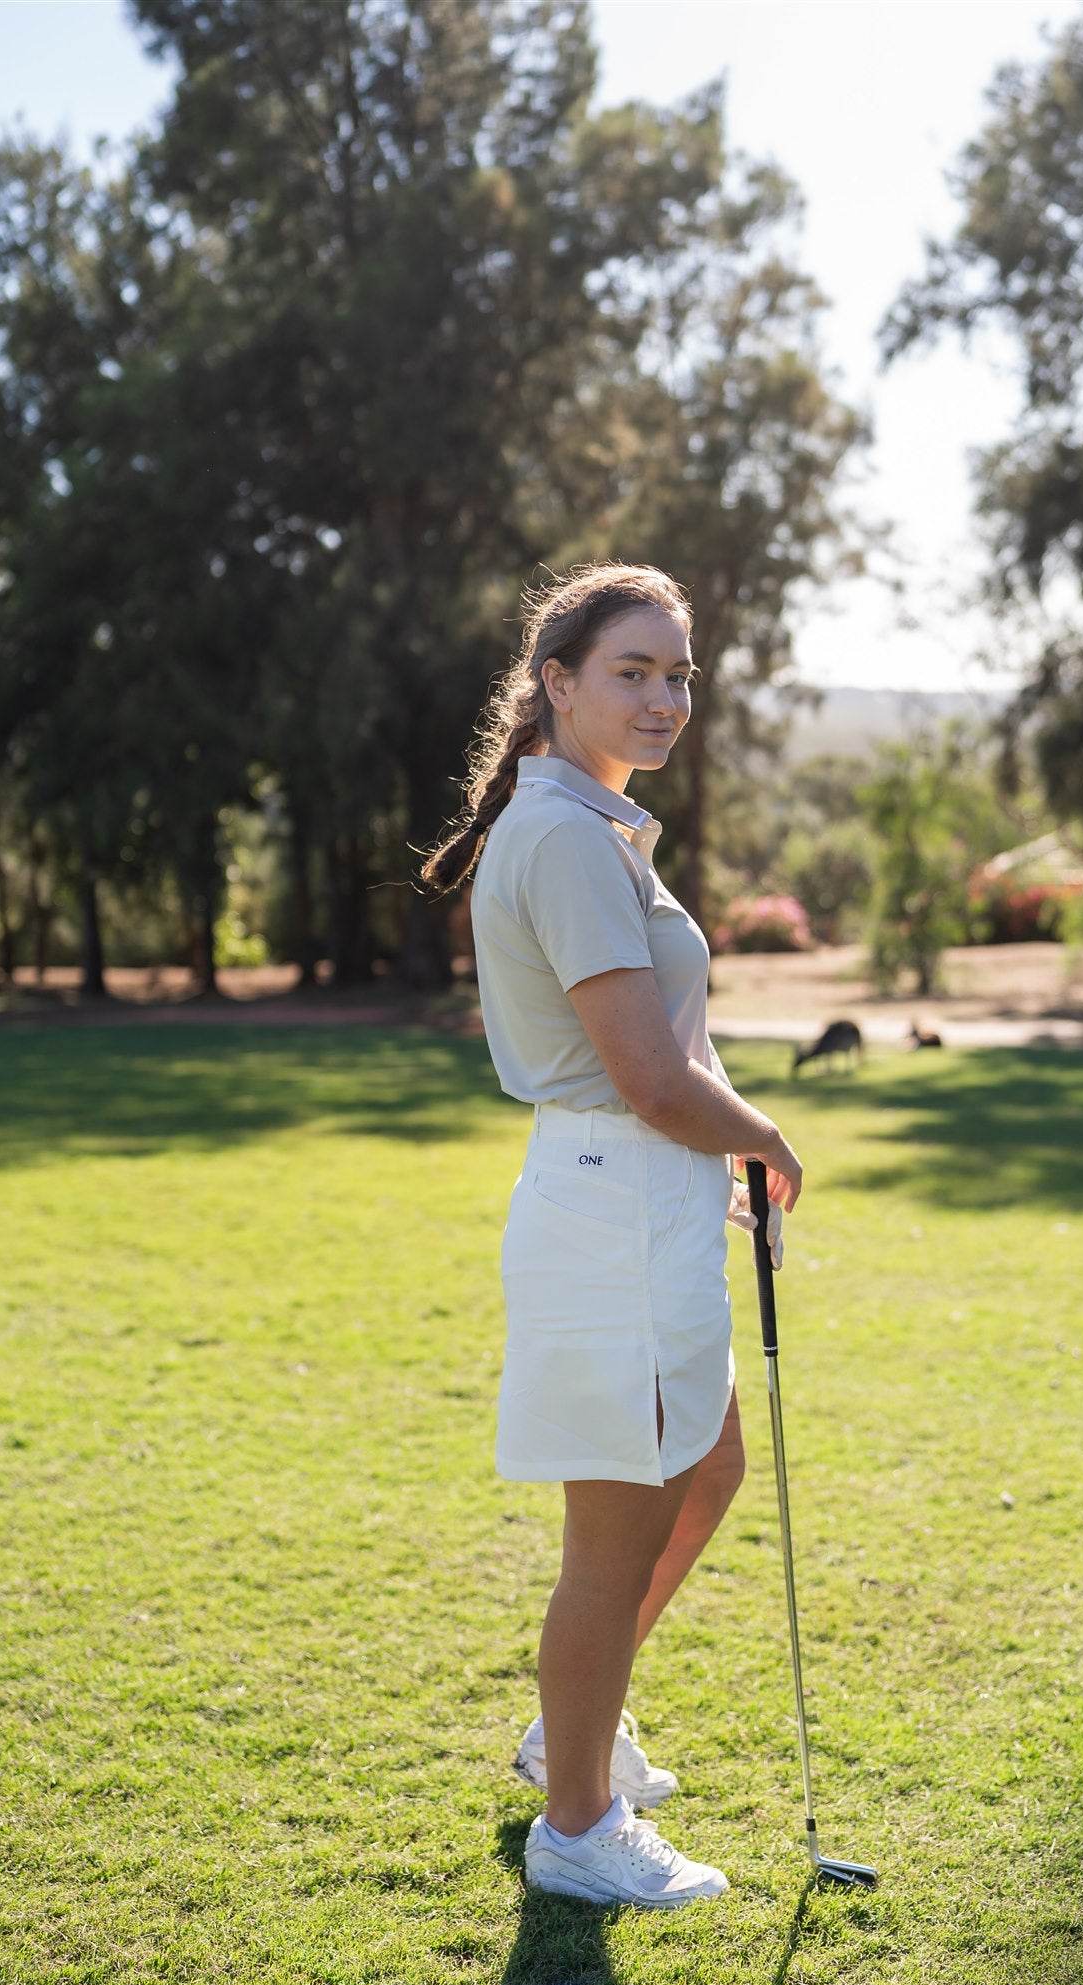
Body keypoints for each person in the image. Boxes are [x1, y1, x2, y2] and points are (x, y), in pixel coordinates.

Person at [420, 562, 802, 1910]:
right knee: (613, 1531)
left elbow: (658, 1066)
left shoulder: (594, 824)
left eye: (678, 673)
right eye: (631, 671)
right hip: (614, 1195)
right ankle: (576, 1826)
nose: (661, 697)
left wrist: (722, 1156)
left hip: (640, 1196)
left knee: (703, 1470)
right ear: (557, 683)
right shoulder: (571, 837)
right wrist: (758, 1135)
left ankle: (565, 1738)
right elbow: (648, 1075)